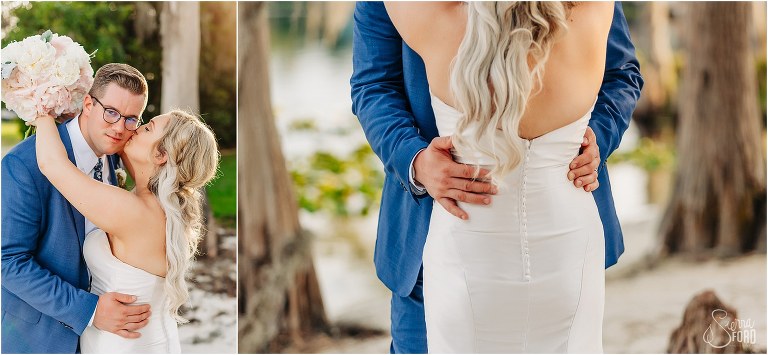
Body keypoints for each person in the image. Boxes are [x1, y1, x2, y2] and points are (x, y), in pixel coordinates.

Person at [350, 1, 643, 353]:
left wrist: (597, 138)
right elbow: (373, 86)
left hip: (552, 231)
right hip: (425, 236)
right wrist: (416, 160)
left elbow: (622, 73)